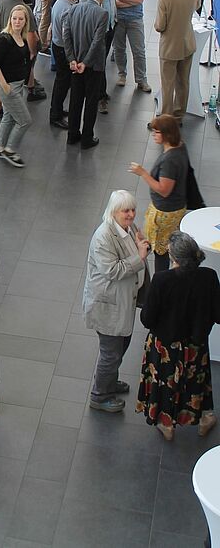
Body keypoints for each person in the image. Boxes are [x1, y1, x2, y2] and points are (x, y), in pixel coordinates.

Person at [136, 231, 220, 441]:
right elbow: (218, 314)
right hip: (196, 344)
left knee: (165, 383)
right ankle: (205, 418)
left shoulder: (161, 280)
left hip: (165, 346)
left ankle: (167, 424)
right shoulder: (209, 276)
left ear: (173, 258)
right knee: (198, 383)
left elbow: (147, 319)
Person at [83, 191, 149, 413]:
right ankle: (100, 395)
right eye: (126, 211)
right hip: (108, 307)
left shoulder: (127, 228)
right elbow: (113, 271)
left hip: (123, 304)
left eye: (132, 210)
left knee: (121, 346)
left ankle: (109, 382)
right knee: (111, 353)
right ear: (113, 212)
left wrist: (140, 246)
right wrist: (139, 256)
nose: (131, 214)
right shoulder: (103, 237)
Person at [129, 114, 190, 273]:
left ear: (167, 134)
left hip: (165, 212)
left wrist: (142, 173)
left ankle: (160, 279)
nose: (154, 135)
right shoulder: (180, 147)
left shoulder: (170, 161)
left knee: (161, 250)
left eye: (157, 132)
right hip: (174, 208)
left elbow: (164, 190)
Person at [63, 0, 109, 149]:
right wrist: (86, 63)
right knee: (91, 102)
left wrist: (72, 59)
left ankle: (72, 135)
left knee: (75, 100)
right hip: (93, 66)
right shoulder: (102, 13)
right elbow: (97, 42)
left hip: (75, 64)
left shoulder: (73, 9)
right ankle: (87, 138)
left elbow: (66, 35)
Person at [154, 0, 201, 118]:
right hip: (187, 43)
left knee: (168, 84)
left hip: (169, 47)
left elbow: (160, 26)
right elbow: (197, 6)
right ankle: (179, 114)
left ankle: (167, 118)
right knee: (183, 81)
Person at [0, 5, 33, 167]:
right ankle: (10, 150)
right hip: (8, 87)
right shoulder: (4, 39)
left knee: (8, 116)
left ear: (25, 21)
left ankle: (0, 148)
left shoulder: (21, 38)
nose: (17, 21)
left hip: (17, 84)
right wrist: (5, 86)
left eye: (21, 19)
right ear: (10, 20)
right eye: (14, 18)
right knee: (25, 121)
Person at [82, 0, 118, 113]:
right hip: (98, 31)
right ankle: (98, 95)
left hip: (109, 27)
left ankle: (100, 91)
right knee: (98, 63)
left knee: (101, 62)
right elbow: (84, 6)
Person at [111, 0, 151, 92]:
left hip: (135, 20)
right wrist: (131, 1)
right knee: (119, 49)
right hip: (119, 20)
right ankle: (122, 74)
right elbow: (113, 2)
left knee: (139, 51)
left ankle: (141, 79)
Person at [49, 0, 82, 129]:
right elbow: (67, 35)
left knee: (62, 81)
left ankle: (58, 110)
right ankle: (55, 115)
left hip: (58, 45)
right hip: (63, 49)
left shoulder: (59, 3)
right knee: (62, 83)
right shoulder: (68, 9)